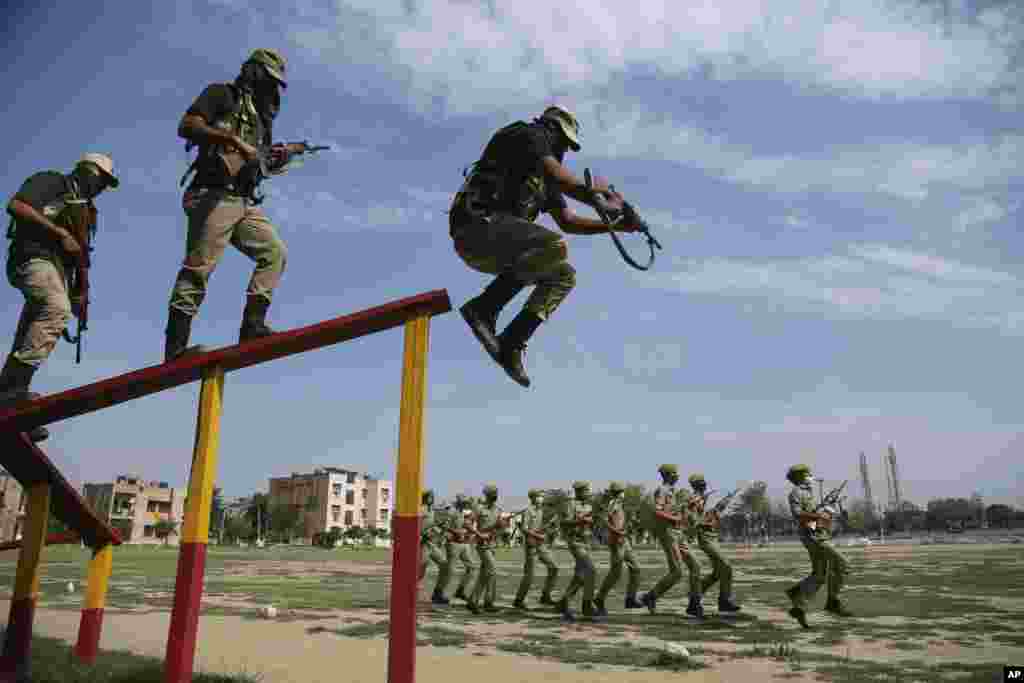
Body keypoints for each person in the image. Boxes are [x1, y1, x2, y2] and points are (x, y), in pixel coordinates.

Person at [449, 105, 642, 387]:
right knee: (554, 246)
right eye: (563, 144)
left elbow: (568, 220)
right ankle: (484, 309)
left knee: (563, 275)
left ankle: (512, 342)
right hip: (477, 227)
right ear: (552, 129)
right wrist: (605, 199)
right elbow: (565, 180)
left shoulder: (544, 176)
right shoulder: (527, 135)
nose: (564, 152)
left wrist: (617, 225)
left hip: (500, 243)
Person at [164, 48, 303, 361]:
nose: (272, 88)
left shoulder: (260, 120)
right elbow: (187, 126)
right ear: (254, 72)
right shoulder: (222, 94)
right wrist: (230, 140)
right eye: (268, 79)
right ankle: (174, 350)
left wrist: (276, 157)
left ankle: (252, 326)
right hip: (212, 194)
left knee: (274, 252)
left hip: (241, 200)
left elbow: (257, 163)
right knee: (199, 269)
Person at [2, 153, 120, 441]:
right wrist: (57, 234)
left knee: (31, 331)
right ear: (89, 171)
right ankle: (13, 394)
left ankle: (10, 398)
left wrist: (82, 292)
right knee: (55, 309)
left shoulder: (87, 210)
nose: (102, 188)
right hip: (32, 258)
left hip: (58, 271)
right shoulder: (53, 181)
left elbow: (79, 254)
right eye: (102, 180)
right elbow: (16, 206)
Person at [785, 464, 852, 628]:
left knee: (819, 575)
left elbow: (815, 514)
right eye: (807, 474)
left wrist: (829, 511)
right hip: (813, 537)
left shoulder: (808, 492)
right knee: (842, 562)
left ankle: (799, 602)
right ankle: (832, 602)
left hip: (819, 534)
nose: (810, 476)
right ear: (800, 476)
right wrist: (819, 515)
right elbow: (799, 514)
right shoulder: (796, 493)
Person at [639, 464, 704, 619]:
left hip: (677, 533)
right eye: (675, 473)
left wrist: (689, 507)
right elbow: (658, 511)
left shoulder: (672, 492)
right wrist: (675, 518)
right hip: (668, 533)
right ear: (667, 475)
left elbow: (674, 511)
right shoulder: (662, 491)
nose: (677, 476)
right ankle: (650, 597)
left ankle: (694, 604)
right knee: (677, 572)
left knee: (695, 566)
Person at [686, 473, 740, 613]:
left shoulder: (709, 497)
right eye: (699, 482)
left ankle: (694, 599)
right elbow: (693, 519)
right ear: (694, 485)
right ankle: (724, 600)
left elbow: (716, 515)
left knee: (718, 572)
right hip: (705, 537)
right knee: (726, 567)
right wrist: (704, 521)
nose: (703, 484)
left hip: (713, 536)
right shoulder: (694, 499)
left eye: (703, 481)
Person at [593, 481, 641, 616]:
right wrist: (616, 531)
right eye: (622, 491)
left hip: (623, 541)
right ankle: (599, 599)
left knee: (636, 568)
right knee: (615, 573)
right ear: (618, 492)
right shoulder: (612, 503)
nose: (623, 493)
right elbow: (603, 520)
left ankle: (630, 599)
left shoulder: (618, 503)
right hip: (616, 541)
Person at [555, 481, 600, 622]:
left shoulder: (589, 506)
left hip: (585, 542)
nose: (588, 493)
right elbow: (564, 522)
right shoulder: (571, 504)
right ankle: (587, 605)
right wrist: (578, 522)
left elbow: (591, 522)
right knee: (590, 570)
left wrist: (590, 521)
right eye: (586, 491)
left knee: (580, 576)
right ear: (579, 491)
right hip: (574, 542)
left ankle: (563, 603)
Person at [512, 488, 560, 609]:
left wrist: (550, 529)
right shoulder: (528, 511)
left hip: (540, 544)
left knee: (554, 568)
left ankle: (545, 596)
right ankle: (519, 600)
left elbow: (541, 528)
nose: (541, 498)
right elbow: (524, 528)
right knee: (530, 575)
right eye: (539, 496)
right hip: (531, 545)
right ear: (532, 498)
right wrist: (537, 535)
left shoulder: (541, 511)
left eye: (542, 496)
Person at [467, 483, 504, 614]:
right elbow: (467, 523)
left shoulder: (498, 510)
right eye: (492, 493)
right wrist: (479, 534)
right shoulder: (479, 509)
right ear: (487, 495)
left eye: (496, 493)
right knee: (493, 571)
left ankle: (473, 601)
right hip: (482, 545)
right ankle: (489, 602)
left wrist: (500, 526)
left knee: (484, 574)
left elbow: (500, 528)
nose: (495, 496)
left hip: (493, 544)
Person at [441, 494, 478, 604]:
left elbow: (466, 524)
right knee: (451, 570)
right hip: (453, 544)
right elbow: (444, 525)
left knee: (472, 567)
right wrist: (456, 532)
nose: (466, 503)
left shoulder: (463, 513)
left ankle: (461, 590)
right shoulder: (452, 511)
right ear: (459, 502)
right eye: (464, 502)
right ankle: (441, 594)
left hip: (463, 544)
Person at [418, 489, 450, 605]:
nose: (433, 498)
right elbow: (418, 527)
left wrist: (440, 529)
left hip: (432, 544)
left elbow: (433, 525)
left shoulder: (432, 511)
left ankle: (438, 593)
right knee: (420, 570)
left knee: (444, 565)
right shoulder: (421, 509)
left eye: (433, 496)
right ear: (426, 497)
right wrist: (424, 532)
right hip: (423, 544)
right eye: (431, 496)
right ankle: (412, 594)